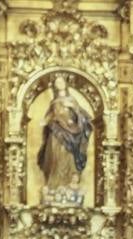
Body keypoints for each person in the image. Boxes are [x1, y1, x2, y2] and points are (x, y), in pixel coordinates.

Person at [37, 74, 92, 205]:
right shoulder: (53, 103)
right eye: (57, 82)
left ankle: (70, 187)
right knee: (55, 158)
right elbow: (48, 116)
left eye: (61, 81)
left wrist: (73, 108)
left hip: (71, 136)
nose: (59, 84)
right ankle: (54, 188)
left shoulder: (72, 100)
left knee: (68, 158)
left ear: (65, 84)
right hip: (56, 134)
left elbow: (84, 119)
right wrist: (45, 121)